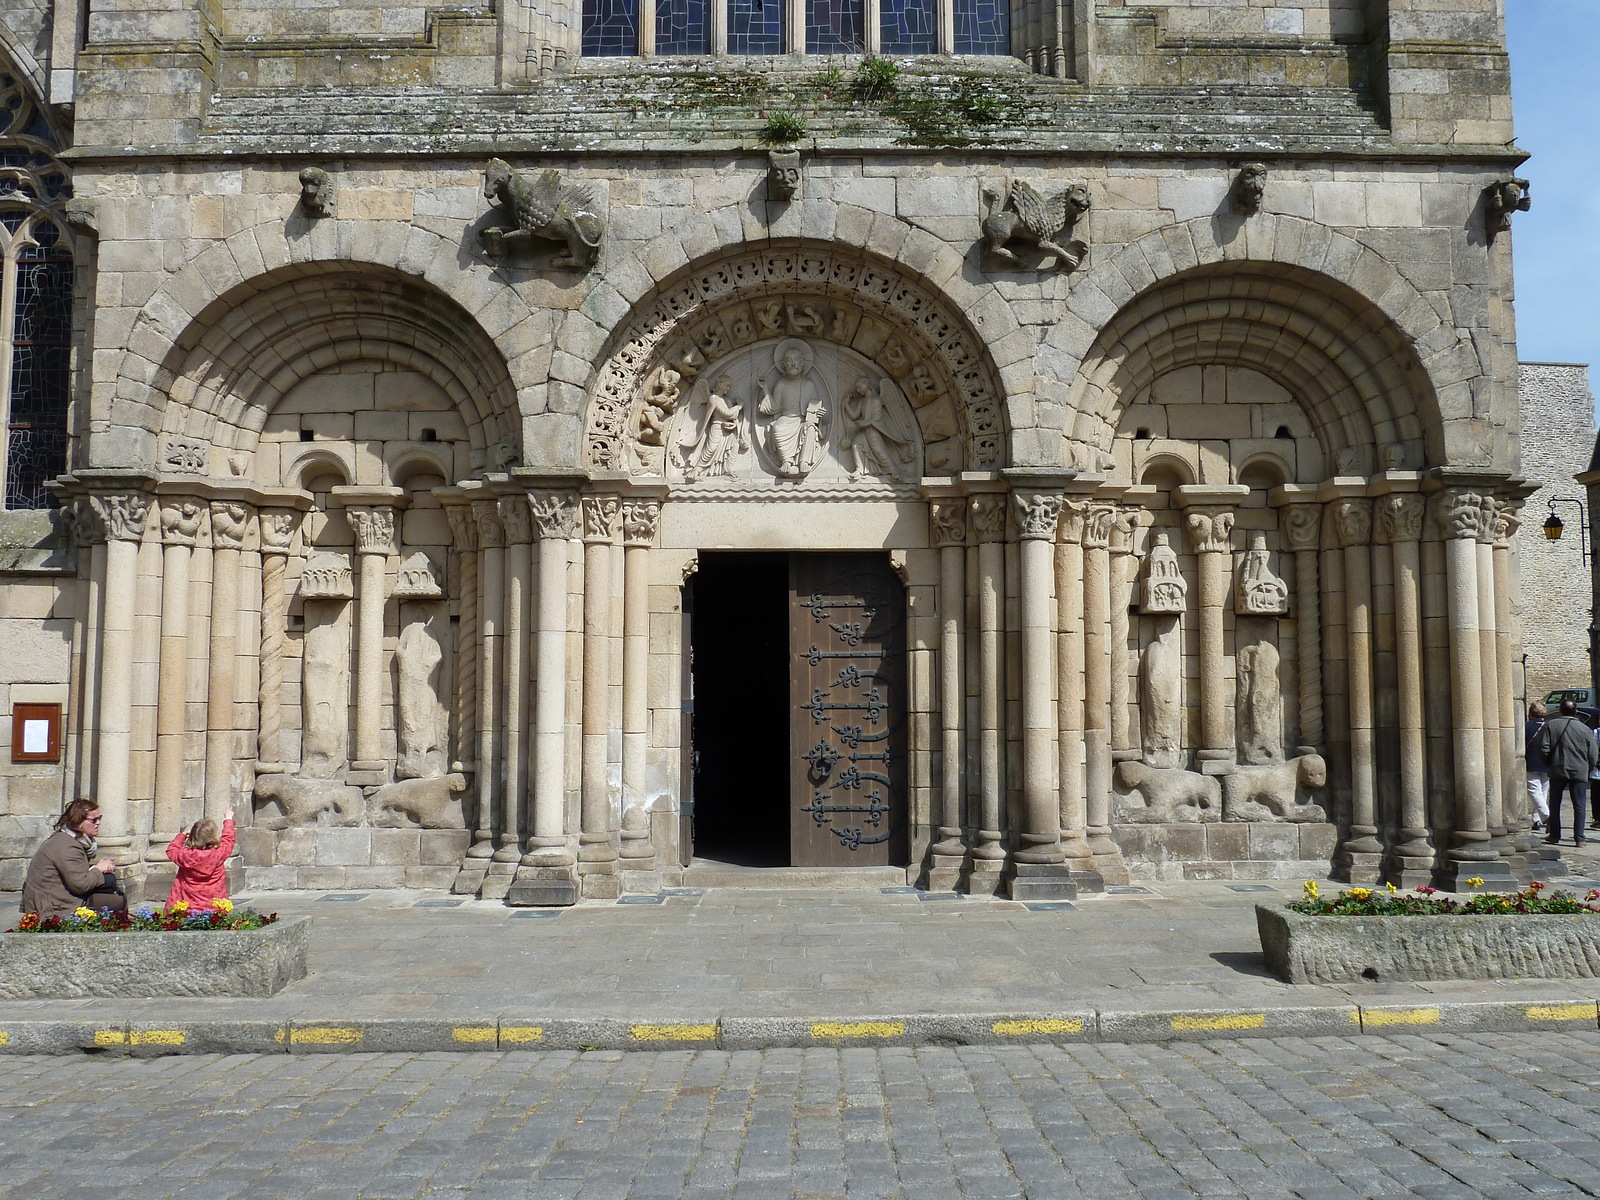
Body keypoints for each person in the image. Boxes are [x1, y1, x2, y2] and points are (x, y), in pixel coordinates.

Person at [19, 799, 125, 917]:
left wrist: (96, 867)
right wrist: (98, 869)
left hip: (57, 898)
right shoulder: (68, 846)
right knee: (119, 902)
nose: (98, 822)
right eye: (93, 820)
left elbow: (74, 873)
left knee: (108, 887)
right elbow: (81, 886)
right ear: (78, 822)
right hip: (53, 907)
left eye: (100, 818)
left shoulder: (68, 839)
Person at [1538, 699, 1597, 847]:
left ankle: (1554, 835)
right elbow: (1593, 752)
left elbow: (1544, 748)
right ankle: (1579, 838)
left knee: (1555, 804)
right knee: (1579, 805)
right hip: (1579, 769)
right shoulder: (1584, 729)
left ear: (1560, 710)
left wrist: (1548, 762)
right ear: (1576, 711)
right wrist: (1589, 767)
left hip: (1558, 768)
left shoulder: (1551, 725)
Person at [165, 807, 236, 912]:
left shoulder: (185, 855)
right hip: (215, 908)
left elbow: (171, 850)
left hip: (186, 908)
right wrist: (228, 819)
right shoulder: (219, 853)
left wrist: (183, 835)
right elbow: (228, 838)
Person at [1525, 700, 1550, 832]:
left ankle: (1546, 816)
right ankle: (1536, 819)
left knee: (1534, 791)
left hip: (1532, 762)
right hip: (1546, 763)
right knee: (1543, 792)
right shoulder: (1548, 726)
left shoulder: (1526, 726)